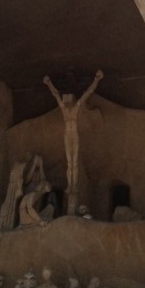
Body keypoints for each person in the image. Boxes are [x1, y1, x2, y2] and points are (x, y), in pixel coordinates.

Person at [43, 71, 103, 215]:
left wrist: (96, 79)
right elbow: (55, 95)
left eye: (67, 99)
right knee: (69, 163)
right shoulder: (64, 109)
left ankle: (74, 185)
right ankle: (70, 186)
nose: (65, 101)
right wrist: (48, 83)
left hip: (74, 135)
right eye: (65, 100)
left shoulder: (76, 108)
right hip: (67, 135)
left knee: (74, 163)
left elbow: (87, 93)